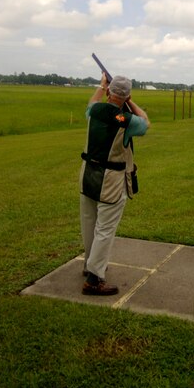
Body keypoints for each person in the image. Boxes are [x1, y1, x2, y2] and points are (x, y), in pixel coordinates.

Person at [79, 73, 150, 295]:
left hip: (88, 174)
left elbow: (91, 104)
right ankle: (94, 279)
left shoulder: (95, 111)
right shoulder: (126, 120)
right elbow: (145, 121)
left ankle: (90, 265)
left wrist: (102, 87)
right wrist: (129, 101)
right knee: (105, 229)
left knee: (89, 224)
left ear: (109, 91)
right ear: (127, 95)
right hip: (110, 179)